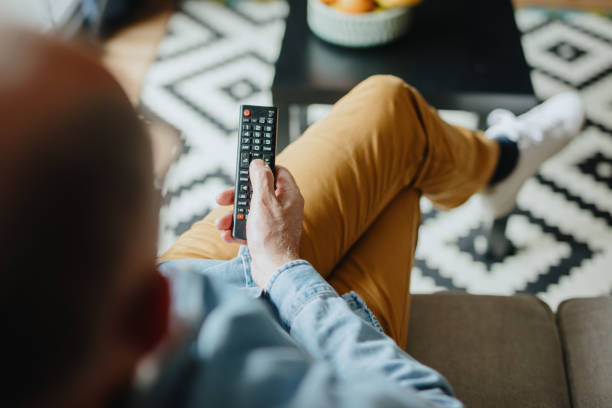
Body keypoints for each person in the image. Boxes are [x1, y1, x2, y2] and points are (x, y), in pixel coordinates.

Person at [1, 30, 585, 408]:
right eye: (154, 191)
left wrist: (258, 254)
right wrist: (281, 264)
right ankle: (500, 166)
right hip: (286, 324)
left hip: (200, 280)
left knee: (389, 112)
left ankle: (497, 165)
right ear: (159, 309)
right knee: (400, 143)